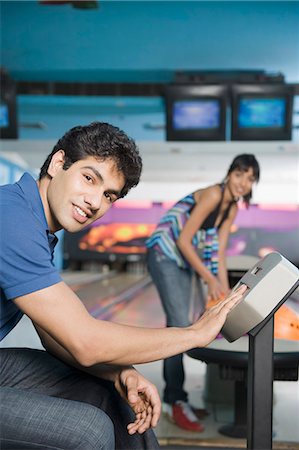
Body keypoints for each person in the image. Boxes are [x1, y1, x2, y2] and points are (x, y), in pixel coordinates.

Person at [0, 122, 247, 450]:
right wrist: (194, 334)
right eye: (89, 178)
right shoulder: (11, 217)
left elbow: (56, 337)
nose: (94, 202)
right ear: (58, 163)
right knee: (88, 430)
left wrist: (120, 374)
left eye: (108, 196)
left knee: (114, 398)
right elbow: (84, 341)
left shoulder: (35, 226)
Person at [146, 153, 260, 432]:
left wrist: (225, 292)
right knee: (178, 323)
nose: (243, 183)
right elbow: (185, 241)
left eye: (250, 179)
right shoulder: (211, 194)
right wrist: (209, 279)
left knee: (184, 321)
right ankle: (174, 401)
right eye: (239, 174)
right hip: (164, 252)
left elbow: (219, 254)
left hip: (182, 259)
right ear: (229, 173)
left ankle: (178, 396)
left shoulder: (230, 208)